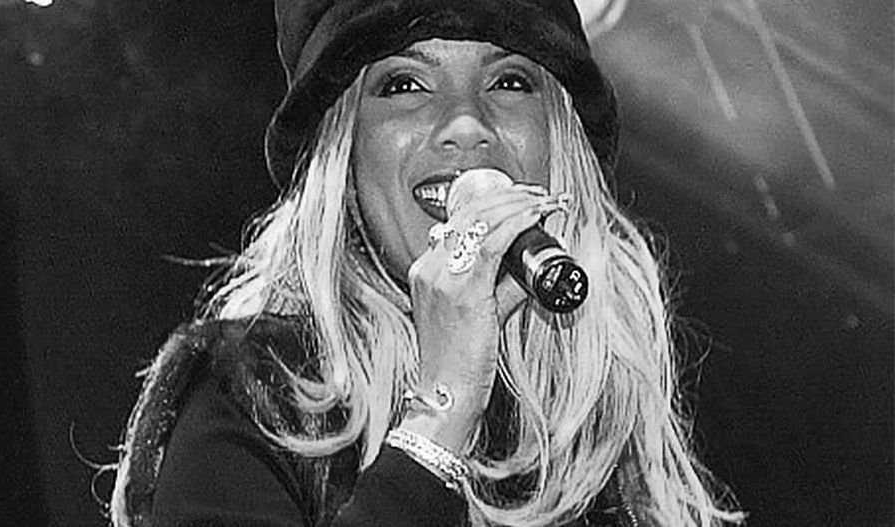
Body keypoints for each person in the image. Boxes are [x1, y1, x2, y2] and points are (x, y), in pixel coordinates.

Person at [108, 1, 743, 525]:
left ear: (560, 149)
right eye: (405, 84)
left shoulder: (615, 448)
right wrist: (442, 415)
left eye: (509, 82)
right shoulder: (251, 398)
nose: (466, 123)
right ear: (344, 158)